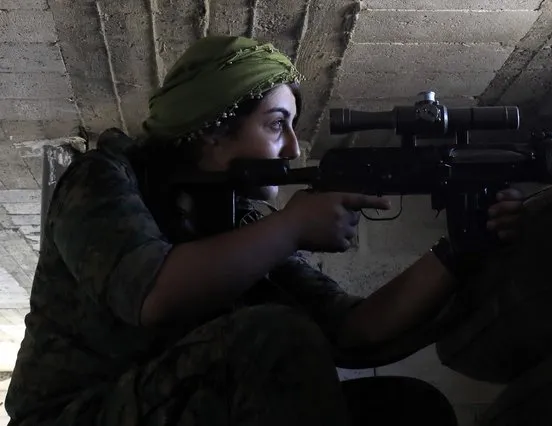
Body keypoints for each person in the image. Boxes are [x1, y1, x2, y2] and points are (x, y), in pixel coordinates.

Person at [4, 36, 524, 426]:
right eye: (277, 124)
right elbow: (152, 293)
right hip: (72, 414)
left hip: (174, 401)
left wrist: (459, 250)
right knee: (272, 335)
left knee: (410, 408)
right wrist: (293, 226)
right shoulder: (102, 179)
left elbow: (354, 330)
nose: (294, 149)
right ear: (211, 129)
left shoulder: (241, 219)